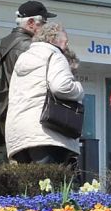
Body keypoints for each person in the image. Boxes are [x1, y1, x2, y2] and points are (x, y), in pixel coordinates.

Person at [5, 22, 84, 167]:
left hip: (18, 133)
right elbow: (61, 87)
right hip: (46, 132)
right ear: (53, 39)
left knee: (28, 180)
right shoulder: (54, 55)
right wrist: (79, 89)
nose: (66, 45)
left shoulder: (22, 58)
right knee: (50, 179)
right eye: (65, 41)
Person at [0, 0, 53, 134]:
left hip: (8, 113)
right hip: (26, 114)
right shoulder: (30, 47)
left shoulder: (4, 42)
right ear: (30, 23)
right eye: (43, 23)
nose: (46, 28)